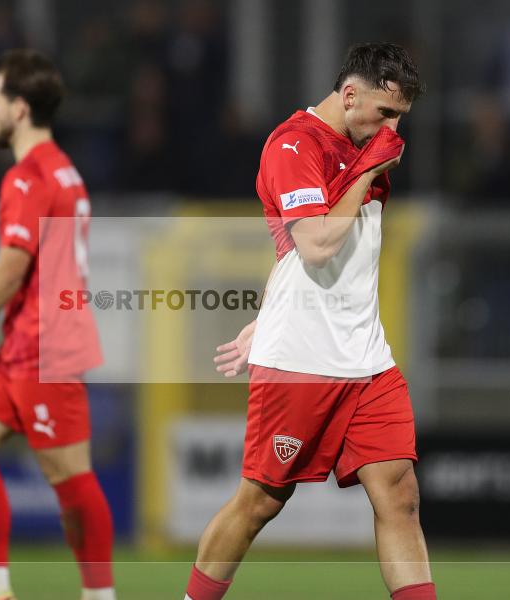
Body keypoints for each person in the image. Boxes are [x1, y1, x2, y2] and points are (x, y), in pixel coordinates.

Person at [183, 43, 436, 600]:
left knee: (400, 495)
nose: (393, 130)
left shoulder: (363, 148)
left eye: (400, 118)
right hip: (301, 361)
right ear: (349, 95)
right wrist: (367, 171)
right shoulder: (294, 145)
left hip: (367, 358)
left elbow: (298, 259)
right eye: (386, 113)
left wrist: (263, 315)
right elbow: (316, 246)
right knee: (260, 502)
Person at [0, 49, 116, 600]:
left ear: (18, 109)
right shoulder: (63, 168)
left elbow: (13, 264)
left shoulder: (28, 176)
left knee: (70, 479)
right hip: (30, 340)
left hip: (45, 345)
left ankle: (100, 595)